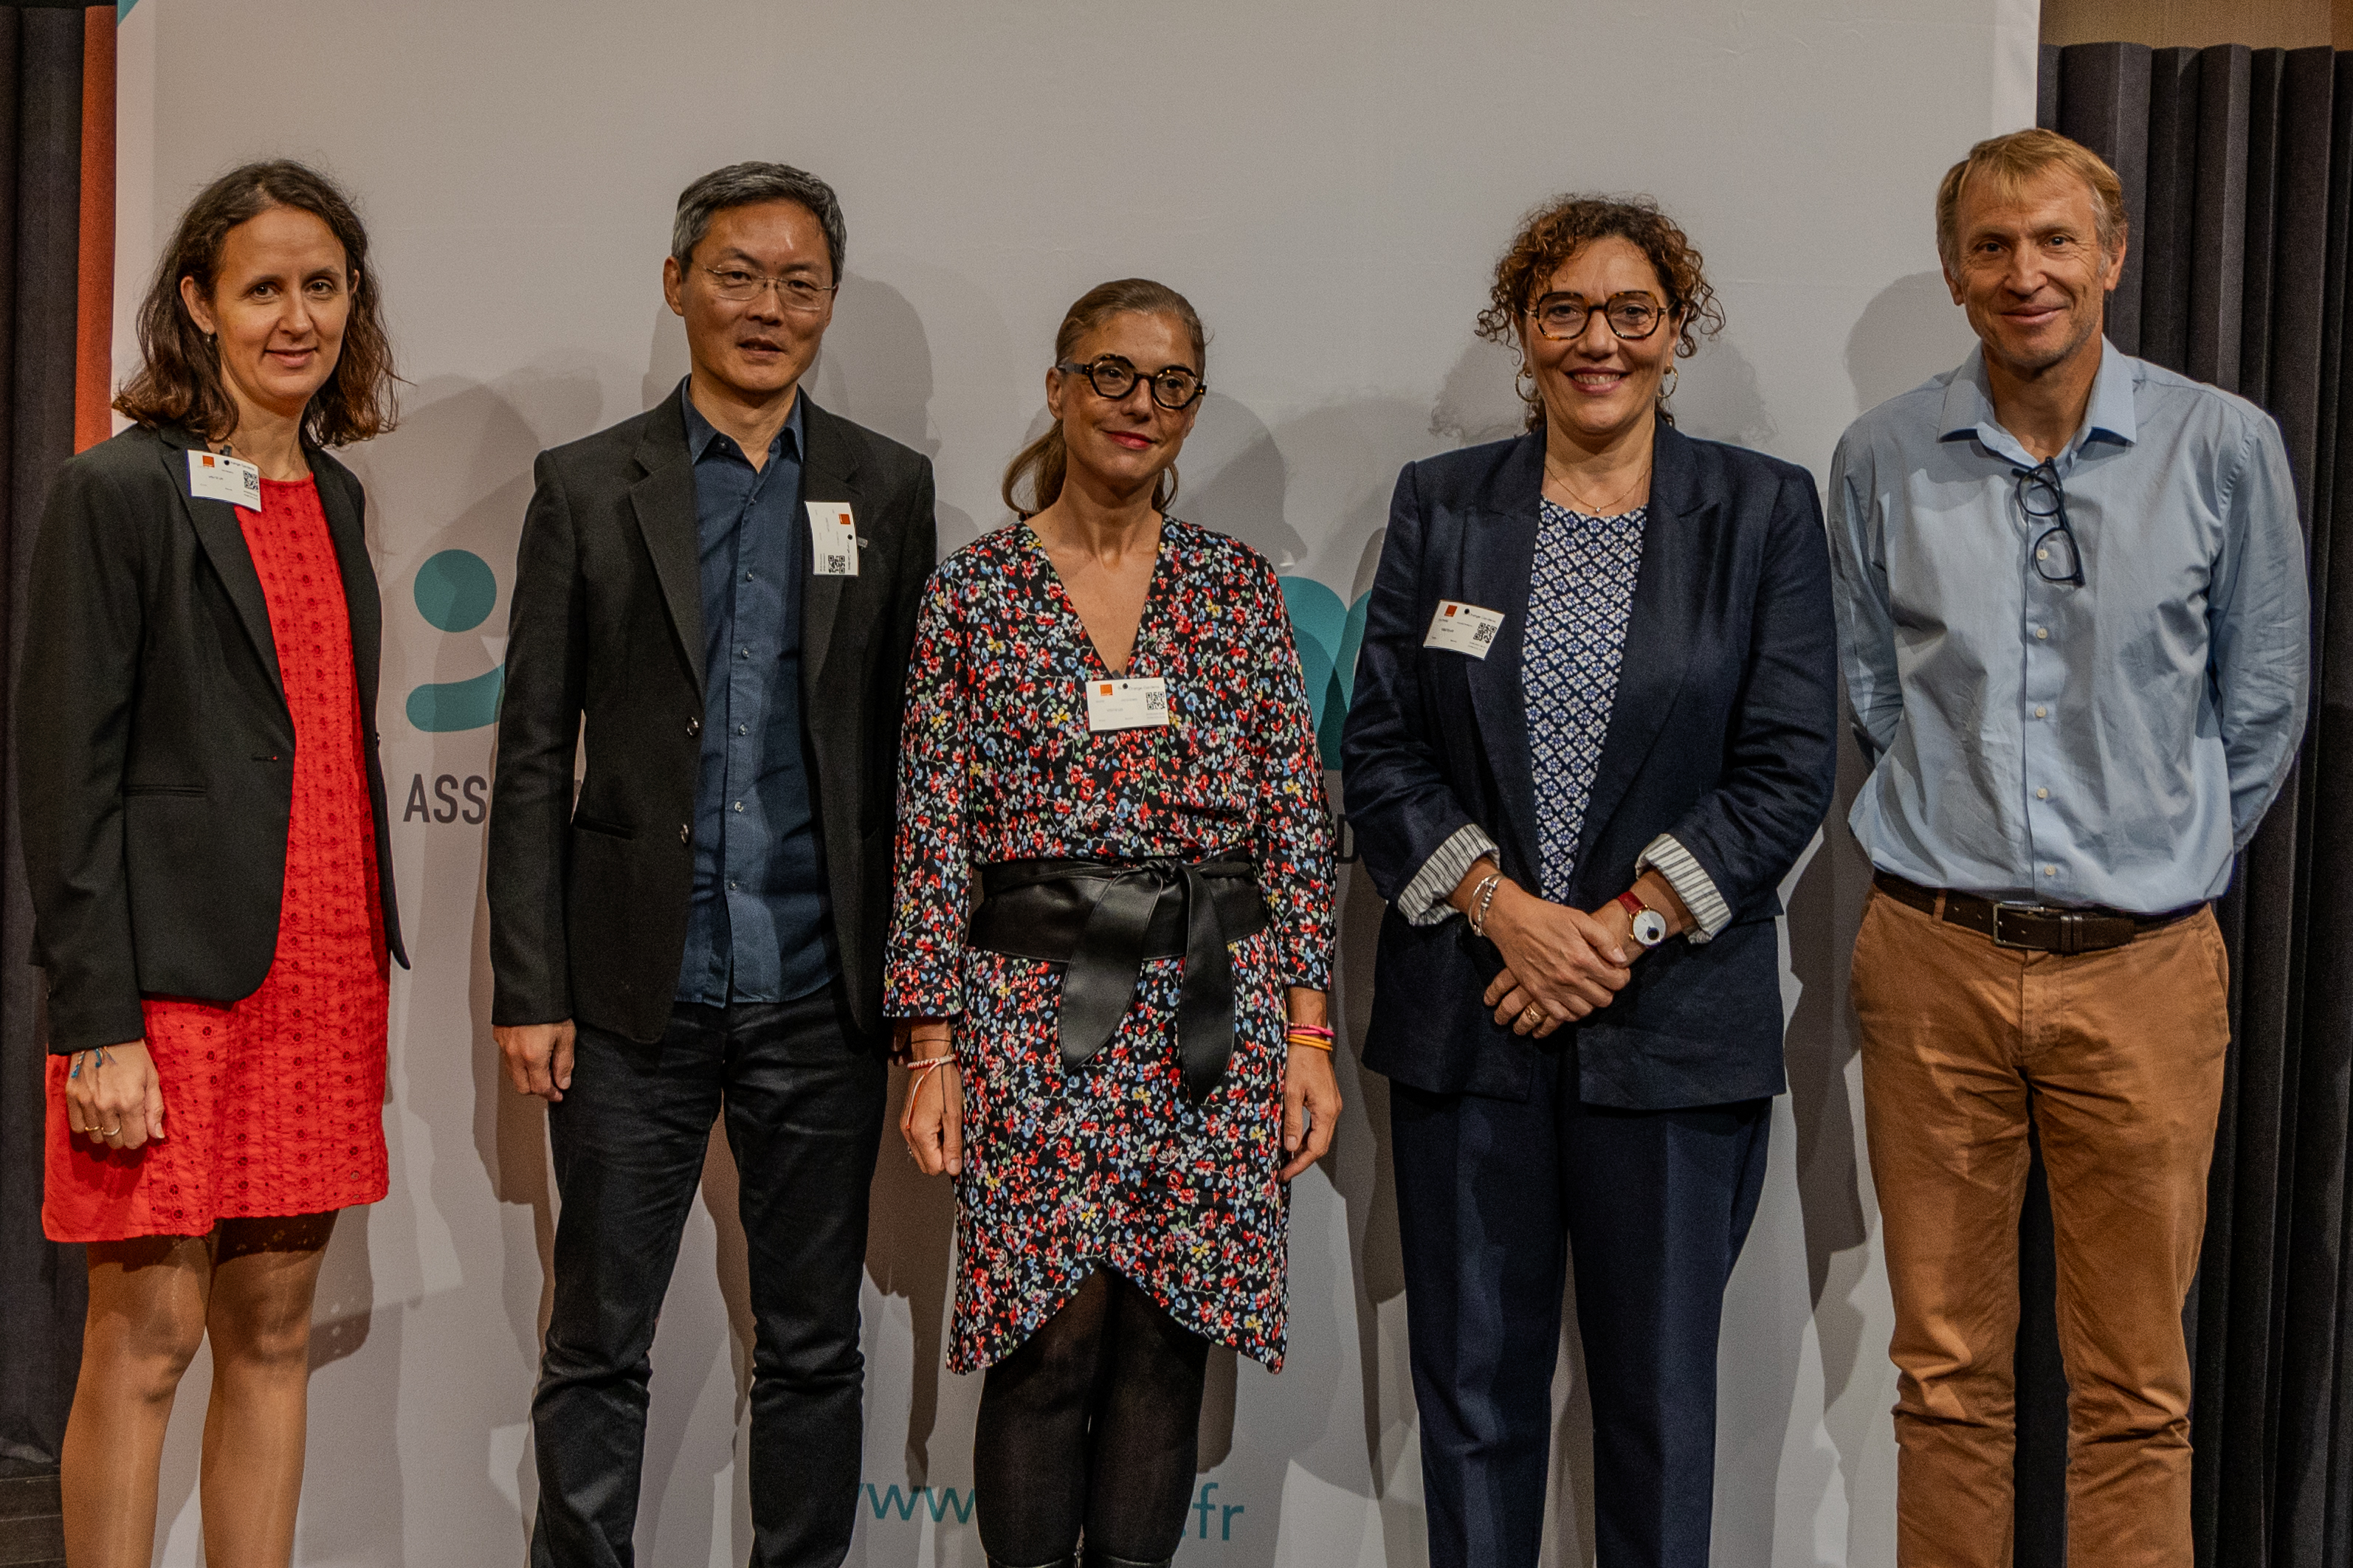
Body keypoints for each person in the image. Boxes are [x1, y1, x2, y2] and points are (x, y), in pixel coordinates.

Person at [1827, 128, 2309, 1568]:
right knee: (1946, 1374)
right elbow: (1868, 690)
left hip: (2144, 971)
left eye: (2050, 241)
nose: (2022, 273)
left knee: (2135, 1390)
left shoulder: (2222, 447)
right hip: (1931, 966)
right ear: (1955, 271)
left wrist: (2160, 858)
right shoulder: (1879, 458)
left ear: (2110, 255)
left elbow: (2264, 699)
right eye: (1990, 246)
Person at [1341, 195, 1839, 1568]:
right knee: (1473, 1403)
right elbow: (1378, 745)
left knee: (1660, 1410)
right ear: (1523, 328)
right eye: (1564, 310)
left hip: (1671, 1034)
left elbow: (1789, 765)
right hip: (1470, 1016)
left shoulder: (1759, 511)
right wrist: (1507, 911)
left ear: (1677, 332)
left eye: (1632, 312)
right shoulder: (1444, 508)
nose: (1597, 340)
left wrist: (1614, 930)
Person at [486, 162, 937, 1568]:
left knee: (811, 1347)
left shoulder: (887, 486)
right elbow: (526, 759)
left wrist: (921, 1001)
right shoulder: (586, 484)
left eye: (799, 283)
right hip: (630, 992)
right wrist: (528, 982)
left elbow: (915, 760)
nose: (767, 307)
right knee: (597, 1339)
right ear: (677, 283)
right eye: (737, 274)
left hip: (821, 987)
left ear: (829, 305)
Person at [891, 277, 1339, 1568]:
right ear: (1059, 386)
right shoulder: (971, 597)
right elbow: (931, 832)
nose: (1140, 406)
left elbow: (1293, 829)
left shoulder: (1239, 592)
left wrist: (1309, 1035)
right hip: (1034, 1010)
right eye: (1112, 375)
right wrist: (932, 1052)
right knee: (1046, 1342)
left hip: (1214, 1002)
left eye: (1170, 385)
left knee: (1162, 1343)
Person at [21, 159, 406, 1568]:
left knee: (273, 1329)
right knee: (147, 1337)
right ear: (198, 302)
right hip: (169, 985)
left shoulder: (342, 497)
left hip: (317, 971)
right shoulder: (114, 491)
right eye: (262, 288)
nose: (294, 316)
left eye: (321, 285)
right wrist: (97, 1024)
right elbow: (68, 784)